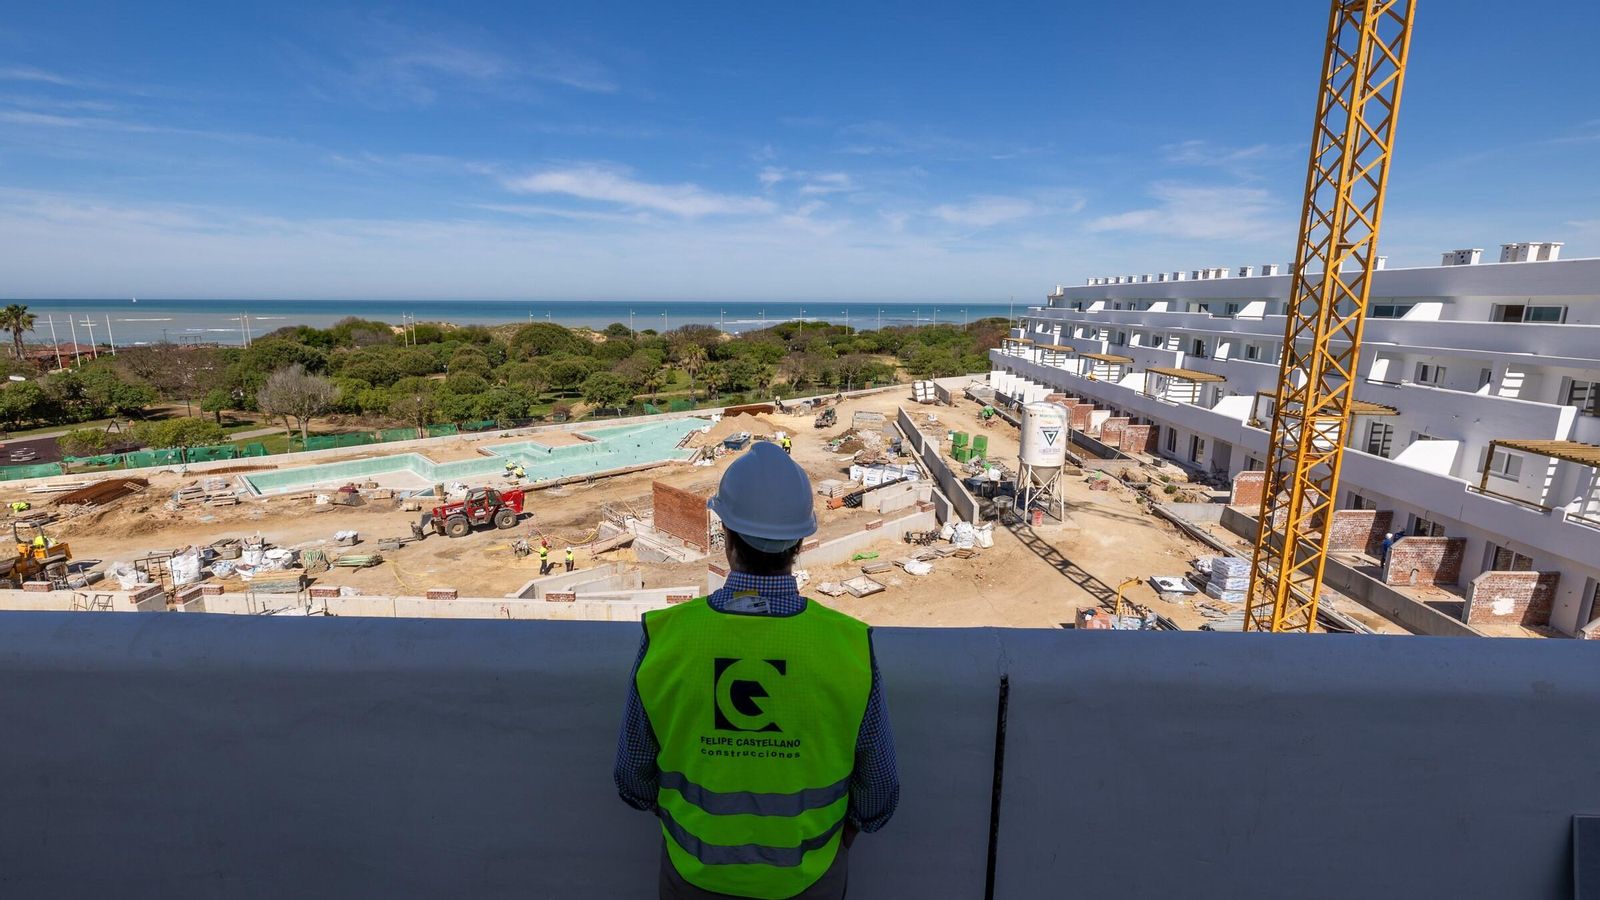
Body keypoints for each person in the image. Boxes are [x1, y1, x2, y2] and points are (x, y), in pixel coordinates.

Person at [615, 441, 898, 900]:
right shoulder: (850, 647)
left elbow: (633, 780)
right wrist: (836, 845)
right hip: (809, 879)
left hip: (693, 877)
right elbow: (878, 794)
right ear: (801, 543)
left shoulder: (666, 638)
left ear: (725, 536)